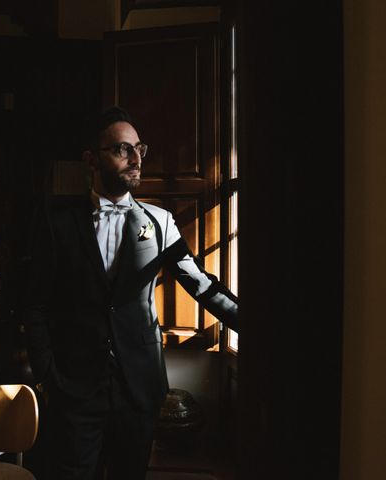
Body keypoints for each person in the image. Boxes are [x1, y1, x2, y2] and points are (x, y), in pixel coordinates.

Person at [22, 106, 238, 480]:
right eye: (123, 149)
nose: (136, 159)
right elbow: (34, 303)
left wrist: (251, 323)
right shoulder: (55, 222)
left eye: (140, 148)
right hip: (74, 387)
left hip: (139, 387)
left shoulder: (159, 221)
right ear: (91, 159)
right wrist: (47, 373)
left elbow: (200, 284)